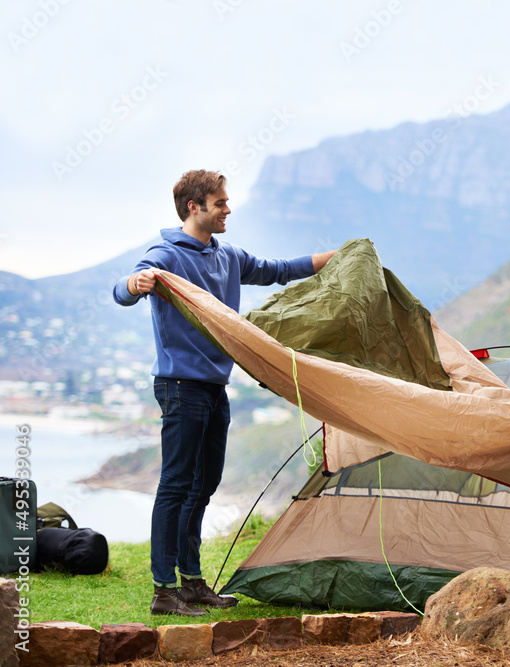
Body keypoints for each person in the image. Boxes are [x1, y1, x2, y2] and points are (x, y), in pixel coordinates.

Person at [113, 170, 338, 616]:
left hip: (215, 388)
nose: (228, 209)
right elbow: (125, 288)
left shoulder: (227, 256)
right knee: (175, 486)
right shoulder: (165, 255)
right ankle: (163, 591)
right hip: (180, 387)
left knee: (205, 484)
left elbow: (277, 271)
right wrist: (135, 285)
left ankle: (192, 583)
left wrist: (336, 257)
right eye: (220, 203)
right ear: (194, 208)